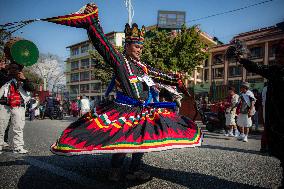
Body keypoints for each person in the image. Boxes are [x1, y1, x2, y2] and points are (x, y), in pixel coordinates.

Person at [48, 3, 201, 182]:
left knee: (142, 140)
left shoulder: (143, 67)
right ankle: (115, 170)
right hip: (124, 108)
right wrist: (93, 23)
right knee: (122, 139)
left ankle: (134, 169)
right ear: (127, 45)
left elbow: (163, 76)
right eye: (137, 46)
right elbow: (103, 45)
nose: (140, 50)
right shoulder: (121, 62)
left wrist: (176, 79)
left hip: (144, 110)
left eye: (141, 47)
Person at [235, 39, 284, 186]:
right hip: (278, 119)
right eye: (277, 55)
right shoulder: (275, 71)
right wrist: (243, 60)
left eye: (280, 55)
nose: (277, 58)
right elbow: (257, 68)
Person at [0, 58, 34, 154]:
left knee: (19, 127)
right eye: (12, 68)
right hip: (4, 104)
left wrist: (25, 79)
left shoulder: (22, 78)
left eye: (16, 68)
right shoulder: (4, 76)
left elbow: (32, 88)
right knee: (1, 126)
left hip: (19, 105)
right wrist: (5, 71)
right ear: (8, 68)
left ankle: (18, 147)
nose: (14, 70)